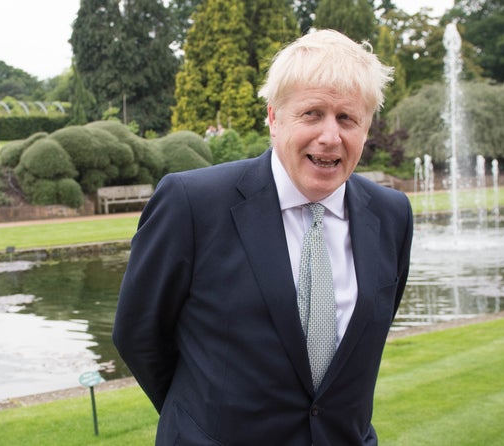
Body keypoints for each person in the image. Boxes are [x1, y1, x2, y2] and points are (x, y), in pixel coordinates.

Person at [113, 29, 413, 445]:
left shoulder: (391, 214)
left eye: (347, 118)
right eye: (312, 114)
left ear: (365, 128)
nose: (331, 136)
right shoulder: (193, 204)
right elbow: (137, 333)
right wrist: (200, 417)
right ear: (273, 118)